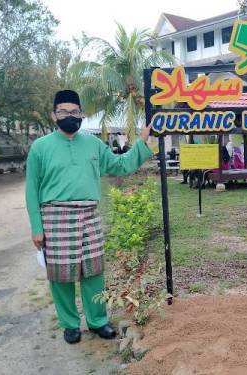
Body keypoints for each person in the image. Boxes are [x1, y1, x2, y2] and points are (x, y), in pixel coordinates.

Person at [25, 90, 153, 344]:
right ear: (54, 115)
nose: (69, 116)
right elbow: (31, 190)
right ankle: (70, 324)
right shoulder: (40, 147)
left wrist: (142, 142)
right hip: (55, 218)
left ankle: (97, 321)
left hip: (89, 215)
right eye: (64, 111)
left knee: (94, 272)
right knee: (61, 275)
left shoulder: (93, 144)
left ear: (81, 115)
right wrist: (37, 227)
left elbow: (120, 165)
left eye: (75, 112)